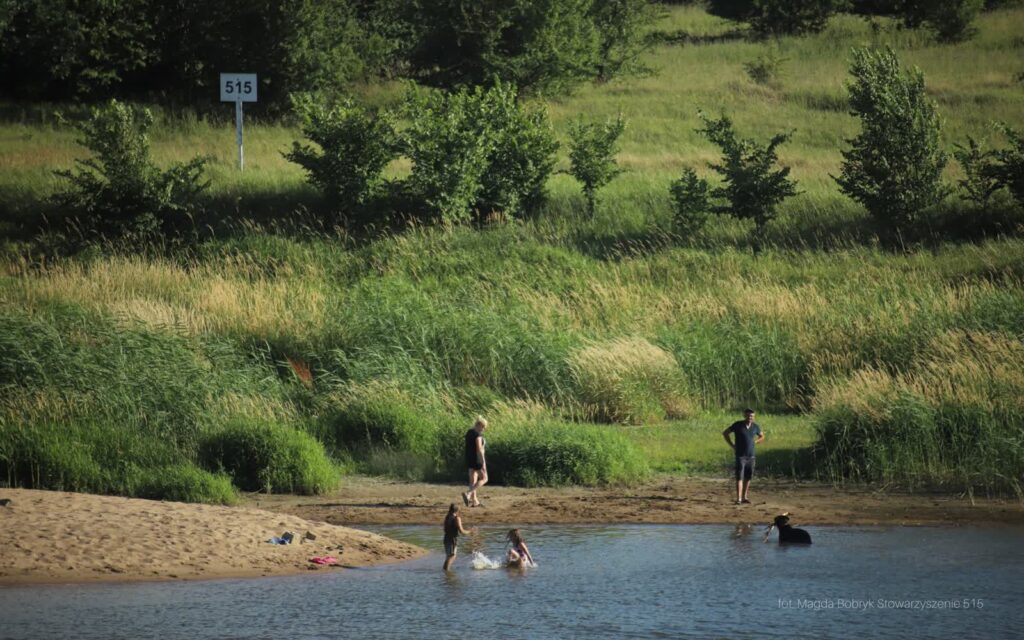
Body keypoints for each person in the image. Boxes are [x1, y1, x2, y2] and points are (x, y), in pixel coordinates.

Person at [722, 408, 765, 505]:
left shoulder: (755, 427)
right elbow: (725, 433)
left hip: (751, 456)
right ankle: (739, 499)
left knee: (748, 477)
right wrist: (732, 445)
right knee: (739, 477)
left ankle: (745, 497)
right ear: (744, 415)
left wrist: (756, 441)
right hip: (740, 456)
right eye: (748, 416)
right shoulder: (738, 425)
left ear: (754, 417)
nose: (750, 418)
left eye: (752, 416)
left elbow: (762, 436)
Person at [462, 416, 488, 508]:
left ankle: (475, 501)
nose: (483, 429)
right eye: (483, 427)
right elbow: (479, 449)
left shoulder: (469, 432)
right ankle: (468, 494)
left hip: (469, 458)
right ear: (479, 425)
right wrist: (483, 461)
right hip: (476, 460)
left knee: (473, 480)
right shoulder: (478, 435)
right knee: (484, 478)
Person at [443, 503, 472, 571]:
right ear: (457, 510)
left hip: (446, 538)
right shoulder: (457, 518)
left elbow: (444, 528)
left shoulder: (447, 517)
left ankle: (445, 571)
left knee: (448, 556)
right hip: (452, 539)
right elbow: (461, 531)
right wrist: (470, 531)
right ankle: (446, 572)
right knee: (452, 556)